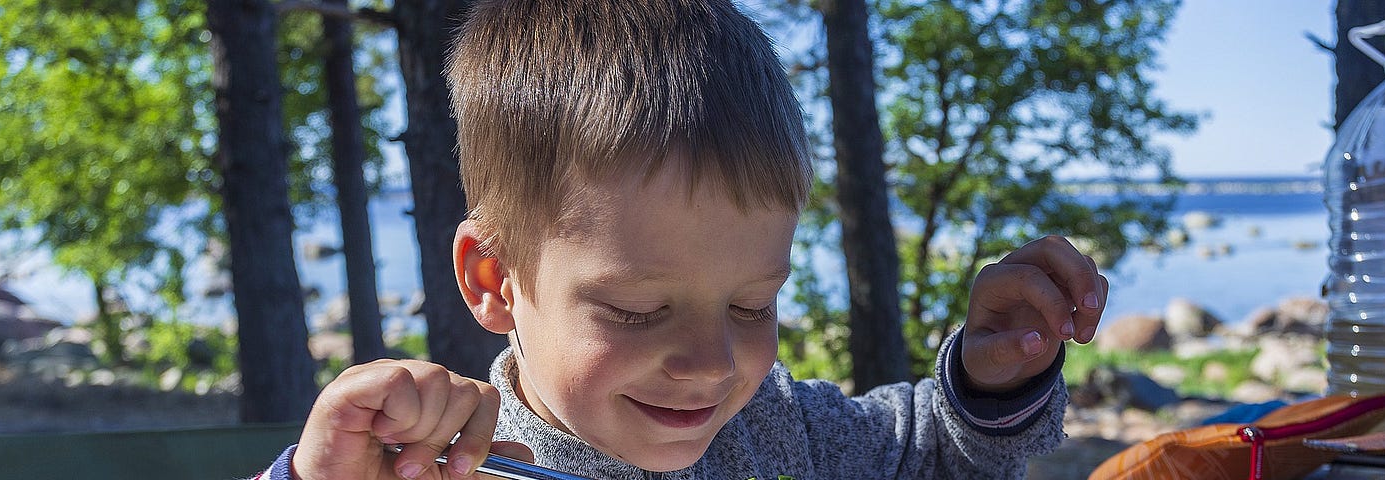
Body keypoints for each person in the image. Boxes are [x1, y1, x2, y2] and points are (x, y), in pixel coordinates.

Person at [259, 0, 1107, 478]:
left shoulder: (782, 432)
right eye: (633, 309)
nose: (711, 362)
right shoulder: (448, 471)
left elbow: (929, 453)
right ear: (495, 278)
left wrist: (990, 378)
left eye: (753, 303)